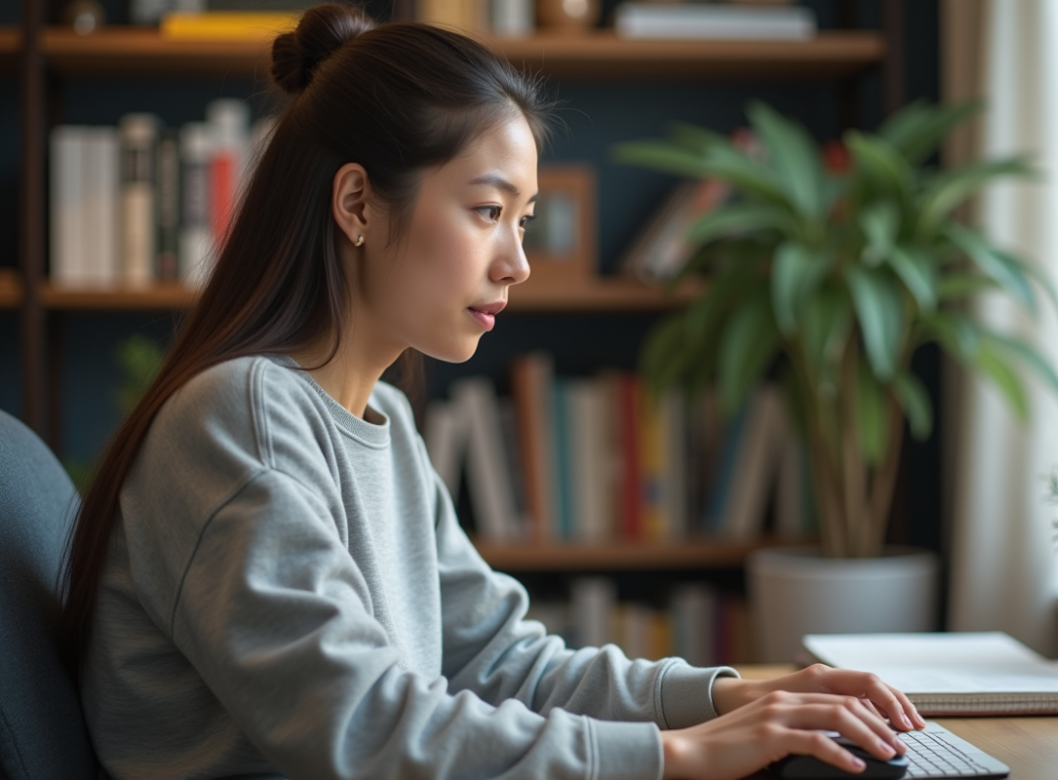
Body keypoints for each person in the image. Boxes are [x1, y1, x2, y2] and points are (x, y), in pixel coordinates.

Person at [60, 5, 927, 779]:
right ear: (358, 203)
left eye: (526, 220)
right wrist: (676, 758)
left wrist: (726, 699)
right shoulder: (238, 421)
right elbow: (362, 733)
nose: (516, 262)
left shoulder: (383, 421)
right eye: (487, 210)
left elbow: (500, 660)